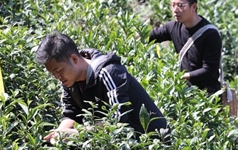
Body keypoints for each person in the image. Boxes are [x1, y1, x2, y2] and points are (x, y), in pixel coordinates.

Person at [36, 32, 169, 141]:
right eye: (52, 73)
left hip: (152, 143)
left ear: (74, 59)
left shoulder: (109, 72)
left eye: (58, 71)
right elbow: (71, 112)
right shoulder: (69, 80)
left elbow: (117, 119)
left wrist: (78, 133)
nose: (57, 77)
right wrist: (60, 133)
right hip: (120, 144)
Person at [148, 0, 222, 94]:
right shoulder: (173, 26)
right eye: (173, 5)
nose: (175, 10)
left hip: (206, 97)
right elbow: (150, 36)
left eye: (181, 5)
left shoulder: (210, 34)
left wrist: (181, 76)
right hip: (184, 93)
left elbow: (209, 70)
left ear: (194, 7)